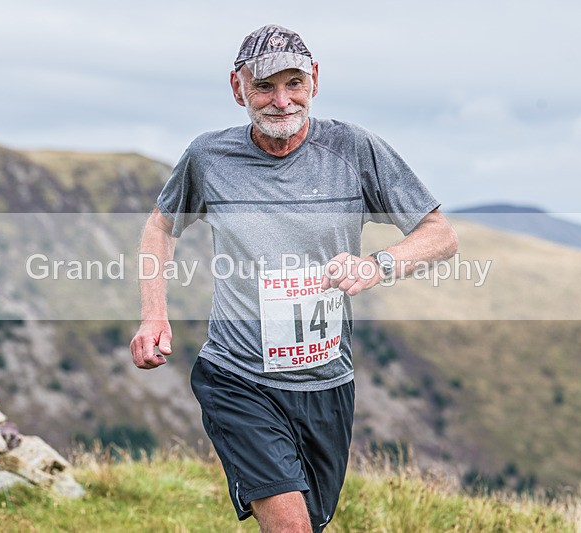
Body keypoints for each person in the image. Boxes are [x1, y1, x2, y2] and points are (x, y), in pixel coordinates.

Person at [130, 24, 458, 533]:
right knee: (290, 527)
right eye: (264, 86)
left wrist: (376, 266)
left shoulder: (355, 150)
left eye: (294, 83)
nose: (281, 101)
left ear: (315, 81)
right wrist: (153, 315)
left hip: (326, 382)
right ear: (238, 87)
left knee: (311, 522)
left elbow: (439, 235)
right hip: (237, 376)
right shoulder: (208, 157)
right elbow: (161, 226)